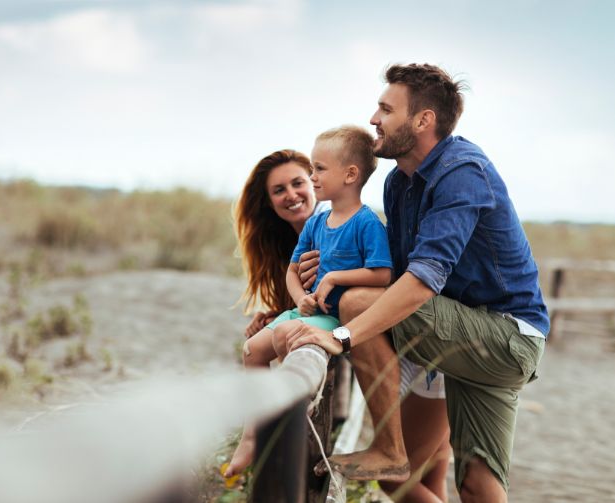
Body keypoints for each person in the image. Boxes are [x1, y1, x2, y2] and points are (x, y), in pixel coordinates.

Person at [285, 63, 548, 503]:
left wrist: (345, 336)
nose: (373, 120)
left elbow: (422, 281)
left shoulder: (461, 171)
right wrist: (317, 267)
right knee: (477, 486)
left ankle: (389, 449)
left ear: (423, 120)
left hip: (506, 334)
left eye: (386, 109)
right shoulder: (398, 183)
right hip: (465, 334)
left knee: (356, 304)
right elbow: (391, 271)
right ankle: (392, 454)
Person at [225, 125, 393, 478]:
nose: (305, 185)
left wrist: (332, 278)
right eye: (279, 190)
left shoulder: (366, 224)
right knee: (252, 350)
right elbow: (291, 271)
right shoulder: (318, 225)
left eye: (310, 175)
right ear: (268, 200)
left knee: (292, 344)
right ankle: (253, 433)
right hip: (311, 310)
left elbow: (382, 275)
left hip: (341, 321)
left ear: (348, 175)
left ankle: (289, 434)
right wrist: (299, 298)